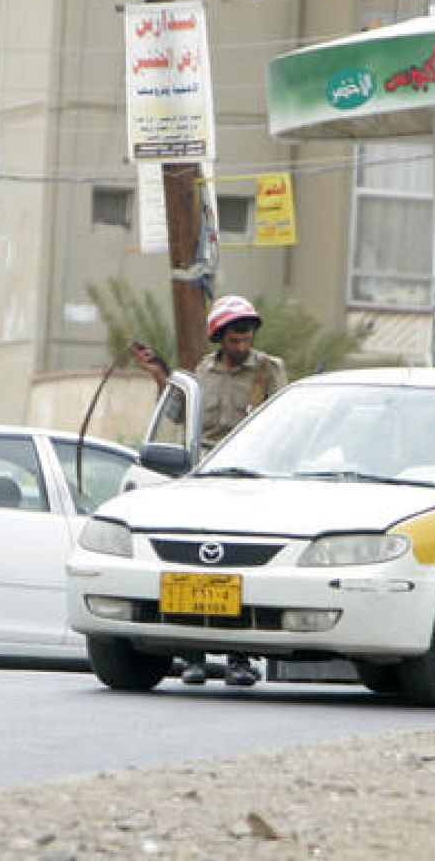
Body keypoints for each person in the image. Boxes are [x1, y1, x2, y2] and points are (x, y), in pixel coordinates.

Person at [129, 294, 288, 687]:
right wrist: (160, 376)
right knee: (195, 567)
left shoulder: (270, 371)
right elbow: (181, 417)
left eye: (247, 333)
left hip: (251, 484)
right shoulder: (203, 372)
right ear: (220, 335)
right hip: (202, 483)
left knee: (239, 570)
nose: (242, 340)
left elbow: (288, 424)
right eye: (234, 334)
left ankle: (239, 658)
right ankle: (194, 656)